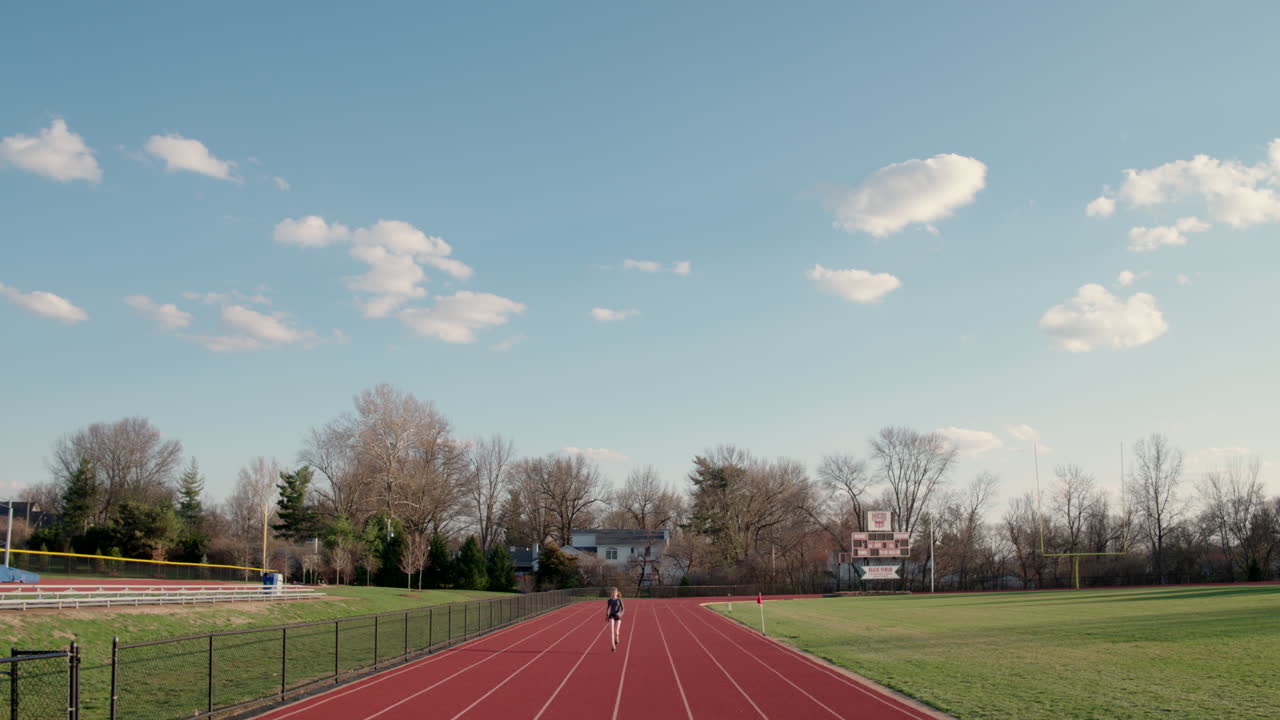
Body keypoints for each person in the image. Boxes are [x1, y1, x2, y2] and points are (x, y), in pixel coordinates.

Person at [605, 587, 624, 651]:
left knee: (616, 631)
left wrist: (620, 614)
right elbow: (608, 608)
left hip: (618, 616)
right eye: (612, 592)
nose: (613, 594)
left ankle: (617, 636)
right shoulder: (609, 600)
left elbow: (623, 609)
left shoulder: (619, 600)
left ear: (617, 593)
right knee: (611, 631)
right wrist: (606, 615)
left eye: (614, 592)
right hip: (611, 616)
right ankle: (613, 645)